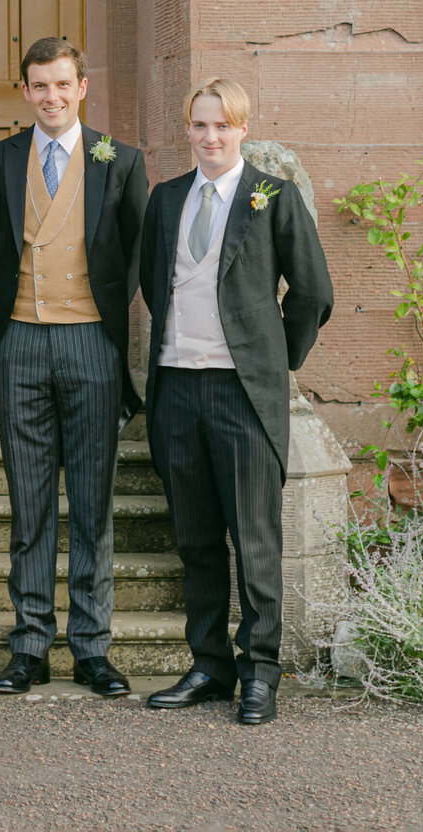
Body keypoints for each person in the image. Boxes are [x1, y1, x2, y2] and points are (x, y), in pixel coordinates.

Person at [140, 78, 334, 725]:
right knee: (195, 540)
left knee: (253, 540)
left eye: (223, 126)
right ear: (188, 131)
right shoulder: (167, 199)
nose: (211, 137)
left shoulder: (272, 200)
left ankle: (259, 671)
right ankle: (209, 665)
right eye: (200, 125)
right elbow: (152, 279)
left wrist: (275, 360)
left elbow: (311, 291)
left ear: (243, 129)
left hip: (243, 393)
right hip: (176, 391)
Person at [0, 37, 147, 697]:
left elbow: (137, 250)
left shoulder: (121, 160)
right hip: (19, 340)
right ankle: (28, 646)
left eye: (62, 85)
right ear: (26, 91)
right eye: (39, 86)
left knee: (93, 504)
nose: (51, 97)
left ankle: (91, 647)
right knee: (30, 504)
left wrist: (100, 308)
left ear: (83, 87)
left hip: (91, 345)